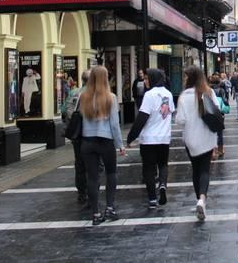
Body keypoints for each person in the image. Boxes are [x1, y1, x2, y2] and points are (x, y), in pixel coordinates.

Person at [79, 66, 125, 225]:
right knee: (111, 174)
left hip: (87, 141)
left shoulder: (83, 97)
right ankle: (110, 208)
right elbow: (114, 124)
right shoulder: (110, 97)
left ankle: (96, 213)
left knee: (92, 177)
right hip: (106, 141)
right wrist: (120, 144)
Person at [126, 69, 174, 209]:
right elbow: (169, 112)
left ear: (153, 79)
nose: (145, 81)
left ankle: (152, 198)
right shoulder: (168, 94)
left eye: (147, 79)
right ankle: (163, 185)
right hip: (164, 137)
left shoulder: (149, 95)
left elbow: (142, 118)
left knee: (148, 168)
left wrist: (131, 137)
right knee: (163, 164)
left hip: (149, 138)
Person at [176, 65, 219, 221]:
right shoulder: (209, 92)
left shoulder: (183, 96)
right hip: (207, 138)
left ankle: (199, 201)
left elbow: (180, 120)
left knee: (196, 170)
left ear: (191, 78)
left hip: (191, 139)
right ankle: (202, 199)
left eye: (186, 76)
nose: (184, 79)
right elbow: (217, 111)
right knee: (205, 170)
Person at [63, 70, 89, 203]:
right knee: (93, 163)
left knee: (79, 163)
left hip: (76, 133)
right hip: (91, 133)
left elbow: (64, 110)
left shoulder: (74, 92)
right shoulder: (95, 93)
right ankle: (91, 190)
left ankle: (81, 192)